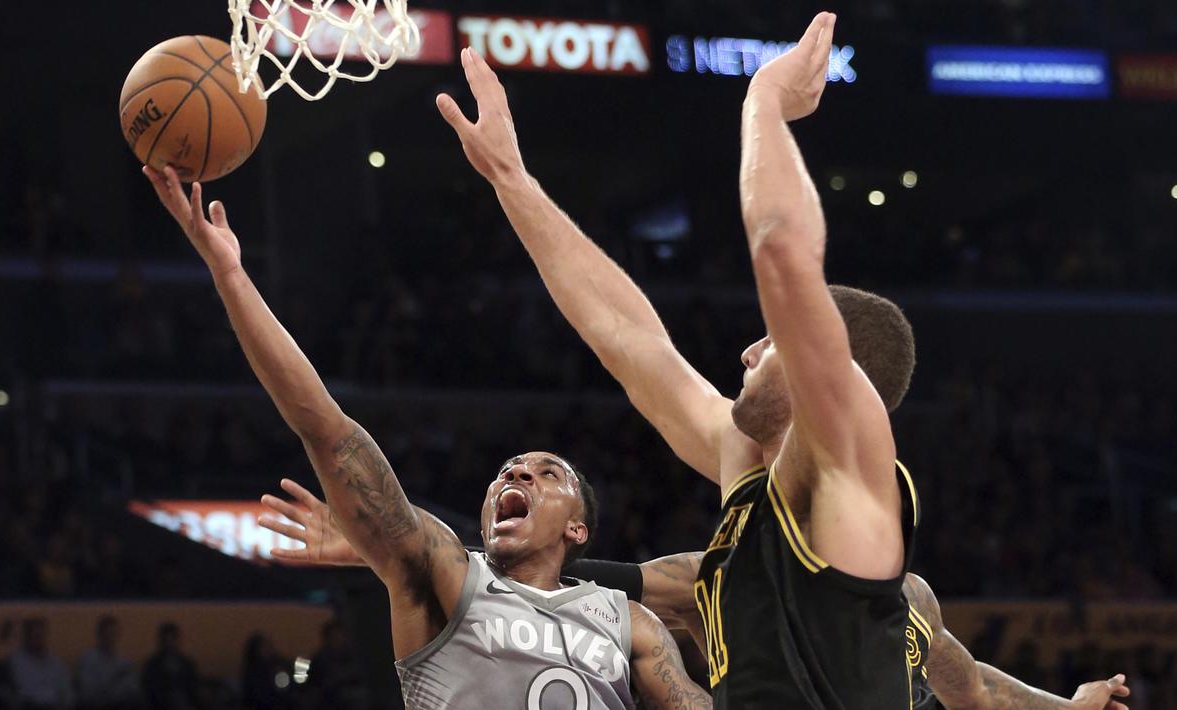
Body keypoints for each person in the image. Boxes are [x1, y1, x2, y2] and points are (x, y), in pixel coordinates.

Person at [434, 35, 1124, 707]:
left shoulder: (845, 468)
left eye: (766, 344)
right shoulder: (752, 472)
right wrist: (510, 179)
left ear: (820, 360)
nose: (745, 355)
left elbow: (783, 252)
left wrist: (764, 98)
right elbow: (627, 338)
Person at [142, 162, 712, 710]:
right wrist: (231, 276)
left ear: (577, 526)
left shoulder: (627, 620)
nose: (516, 474)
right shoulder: (446, 571)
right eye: (509, 469)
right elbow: (325, 428)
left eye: (547, 473)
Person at [258, 479, 1131, 710]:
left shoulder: (908, 601)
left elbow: (973, 688)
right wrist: (383, 550)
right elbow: (545, 579)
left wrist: (1068, 703)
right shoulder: (722, 574)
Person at [75, 615, 139, 710]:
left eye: (113, 634)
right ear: (99, 636)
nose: (110, 638)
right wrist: (113, 682)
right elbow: (87, 694)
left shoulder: (124, 663)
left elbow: (133, 690)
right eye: (107, 634)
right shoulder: (87, 660)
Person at [8, 618, 72, 710]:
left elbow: (67, 693)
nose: (39, 640)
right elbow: (23, 694)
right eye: (36, 636)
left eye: (42, 636)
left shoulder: (56, 663)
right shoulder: (15, 662)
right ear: (26, 637)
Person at [141, 623, 199, 710]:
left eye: (172, 640)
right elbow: (149, 691)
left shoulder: (188, 664)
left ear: (177, 641)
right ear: (160, 642)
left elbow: (194, 688)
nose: (169, 644)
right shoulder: (151, 666)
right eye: (166, 640)